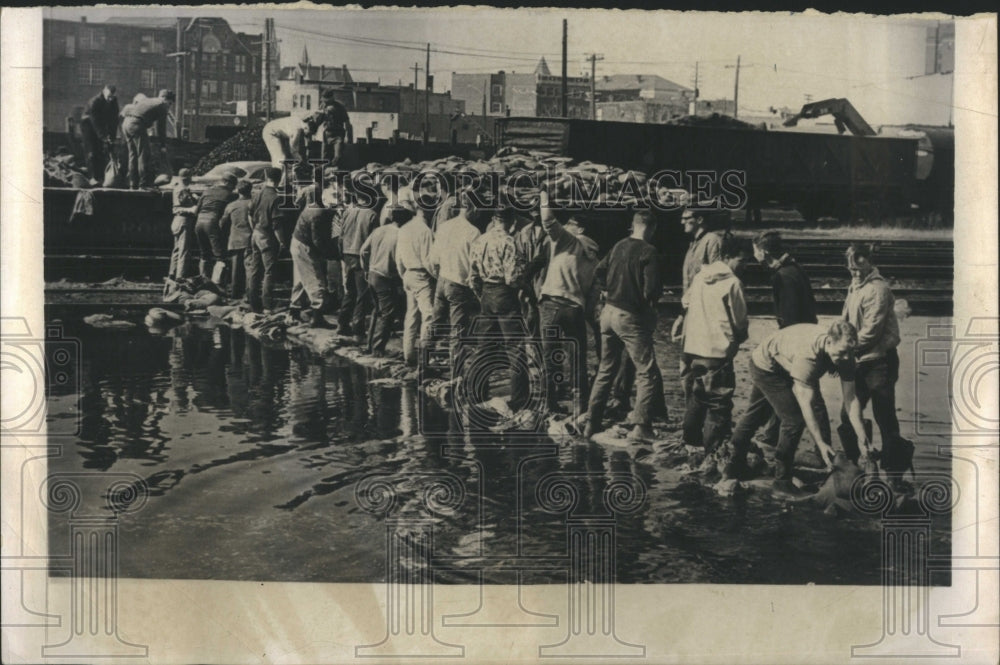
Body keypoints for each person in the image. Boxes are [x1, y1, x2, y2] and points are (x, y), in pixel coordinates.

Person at [725, 321, 871, 492]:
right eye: (842, 353)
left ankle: (733, 466)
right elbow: (806, 404)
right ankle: (781, 480)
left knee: (756, 413)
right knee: (793, 420)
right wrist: (820, 442)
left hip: (787, 359)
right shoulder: (808, 357)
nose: (846, 357)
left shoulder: (845, 355)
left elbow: (851, 399)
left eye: (850, 352)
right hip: (767, 366)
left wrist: (863, 438)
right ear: (829, 341)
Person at [585, 209, 665, 442]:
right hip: (629, 315)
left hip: (608, 312)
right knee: (646, 370)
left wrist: (607, 290)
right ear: (652, 228)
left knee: (606, 369)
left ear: (633, 225)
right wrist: (648, 303)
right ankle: (641, 425)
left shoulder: (619, 245)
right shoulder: (649, 251)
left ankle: (592, 421)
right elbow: (652, 290)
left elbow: (599, 270)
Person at [838, 243, 909, 479]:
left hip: (879, 361)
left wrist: (847, 349)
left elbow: (871, 331)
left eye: (859, 268)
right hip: (859, 358)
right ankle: (859, 461)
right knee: (848, 414)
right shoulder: (856, 286)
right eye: (851, 269)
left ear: (868, 262)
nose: (855, 273)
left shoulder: (877, 289)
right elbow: (846, 321)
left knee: (885, 416)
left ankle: (895, 473)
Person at [680, 234, 750, 453]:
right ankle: (714, 451)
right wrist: (738, 338)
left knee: (697, 398)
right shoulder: (732, 283)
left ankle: (690, 444)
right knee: (719, 404)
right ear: (728, 257)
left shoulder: (701, 276)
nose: (745, 265)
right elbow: (739, 319)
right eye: (742, 260)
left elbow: (686, 301)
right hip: (717, 351)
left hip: (695, 347)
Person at [752, 230, 821, 448]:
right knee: (776, 389)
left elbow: (790, 317)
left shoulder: (784, 276)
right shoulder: (792, 269)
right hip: (802, 337)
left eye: (755, 251)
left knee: (782, 389)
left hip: (795, 342)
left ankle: (820, 448)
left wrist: (786, 347)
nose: (753, 256)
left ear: (763, 251)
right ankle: (769, 435)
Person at [537, 191, 599, 415]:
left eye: (571, 224)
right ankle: (580, 407)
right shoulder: (595, 256)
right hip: (576, 308)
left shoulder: (568, 240)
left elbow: (547, 221)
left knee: (549, 356)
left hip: (553, 303)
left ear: (579, 229)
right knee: (577, 357)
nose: (566, 225)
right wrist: (588, 316)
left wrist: (544, 195)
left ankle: (548, 404)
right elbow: (594, 293)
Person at [468, 205, 530, 411]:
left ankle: (477, 392)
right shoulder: (509, 242)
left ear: (493, 219)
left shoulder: (480, 240)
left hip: (486, 292)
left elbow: (473, 275)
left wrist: (481, 295)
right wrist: (522, 288)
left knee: (483, 346)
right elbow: (512, 277)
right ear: (511, 221)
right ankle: (520, 398)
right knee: (515, 347)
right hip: (504, 293)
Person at [428, 190, 483, 374]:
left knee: (435, 325)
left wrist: (439, 277)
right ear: (471, 208)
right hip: (459, 284)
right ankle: (457, 373)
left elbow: (433, 259)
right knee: (458, 332)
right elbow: (475, 268)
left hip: (442, 280)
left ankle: (423, 366)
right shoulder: (473, 232)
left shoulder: (445, 227)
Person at [396, 191, 437, 367]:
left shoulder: (405, 228)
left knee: (411, 317)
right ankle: (425, 358)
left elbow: (398, 257)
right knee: (428, 316)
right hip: (421, 275)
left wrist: (403, 274)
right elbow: (428, 260)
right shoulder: (425, 231)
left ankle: (409, 355)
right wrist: (436, 277)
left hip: (407, 274)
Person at [671, 205, 725, 341]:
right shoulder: (693, 243)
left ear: (699, 219)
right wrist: (682, 314)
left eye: (686, 218)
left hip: (705, 311)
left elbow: (717, 277)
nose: (682, 222)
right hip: (691, 309)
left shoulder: (712, 240)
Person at [337, 175, 381, 338]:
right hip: (362, 256)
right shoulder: (371, 215)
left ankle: (342, 323)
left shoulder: (348, 211)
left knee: (350, 292)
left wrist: (342, 253)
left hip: (347, 254)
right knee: (363, 294)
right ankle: (358, 328)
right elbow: (374, 241)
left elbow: (340, 235)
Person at [361, 205, 407, 355]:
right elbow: (399, 260)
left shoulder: (379, 230)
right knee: (388, 314)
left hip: (373, 273)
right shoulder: (400, 234)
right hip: (386, 276)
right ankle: (378, 348)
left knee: (377, 311)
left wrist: (366, 268)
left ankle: (369, 345)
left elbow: (363, 251)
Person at [290, 195, 340, 328]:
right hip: (305, 246)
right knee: (316, 280)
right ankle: (317, 317)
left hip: (298, 242)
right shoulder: (318, 214)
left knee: (301, 279)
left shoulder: (314, 207)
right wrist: (331, 254)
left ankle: (294, 311)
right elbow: (317, 240)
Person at [246, 167, 289, 314]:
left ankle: (253, 303)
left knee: (255, 269)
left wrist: (254, 229)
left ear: (265, 177)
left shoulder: (258, 193)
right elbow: (277, 225)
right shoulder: (276, 197)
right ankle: (267, 306)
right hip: (267, 236)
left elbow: (249, 214)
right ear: (280, 178)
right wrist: (282, 242)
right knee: (270, 271)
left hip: (256, 233)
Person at [119, 89, 173, 189]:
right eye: (170, 103)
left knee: (133, 155)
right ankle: (143, 184)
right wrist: (162, 145)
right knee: (143, 155)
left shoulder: (150, 100)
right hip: (137, 124)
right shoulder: (162, 105)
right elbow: (161, 128)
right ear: (166, 100)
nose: (169, 106)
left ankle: (133, 183)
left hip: (126, 123)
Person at [194, 173, 238, 284]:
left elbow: (196, 210)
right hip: (213, 222)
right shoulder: (229, 195)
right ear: (227, 183)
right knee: (220, 255)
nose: (234, 188)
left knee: (204, 254)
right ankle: (216, 284)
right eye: (233, 185)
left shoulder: (207, 191)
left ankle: (203, 281)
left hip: (199, 222)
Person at [219, 179, 254, 300]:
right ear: (250, 190)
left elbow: (222, 223)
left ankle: (235, 294)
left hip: (235, 239)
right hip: (250, 239)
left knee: (236, 269)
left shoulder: (231, 205)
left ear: (238, 191)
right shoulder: (253, 203)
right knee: (250, 268)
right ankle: (250, 294)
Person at [79, 84, 119, 185]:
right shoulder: (95, 101)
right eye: (109, 97)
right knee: (91, 152)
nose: (110, 99)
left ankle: (100, 177)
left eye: (112, 97)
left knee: (100, 151)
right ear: (104, 91)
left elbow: (114, 121)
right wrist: (104, 137)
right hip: (88, 125)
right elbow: (95, 122)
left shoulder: (114, 102)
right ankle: (92, 177)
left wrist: (112, 138)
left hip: (101, 125)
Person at [167, 169, 199, 283]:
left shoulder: (181, 188)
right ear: (187, 178)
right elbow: (177, 208)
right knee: (184, 250)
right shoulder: (181, 189)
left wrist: (193, 196)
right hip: (183, 220)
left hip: (178, 221)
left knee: (177, 249)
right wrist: (191, 209)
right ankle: (180, 276)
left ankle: (172, 273)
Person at [320, 92, 351, 169]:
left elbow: (347, 122)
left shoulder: (340, 107)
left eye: (326, 100)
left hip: (338, 134)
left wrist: (349, 137)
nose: (325, 102)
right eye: (324, 100)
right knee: (324, 158)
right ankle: (324, 176)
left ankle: (335, 172)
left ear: (332, 98)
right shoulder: (323, 106)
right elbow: (319, 119)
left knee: (338, 157)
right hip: (327, 134)